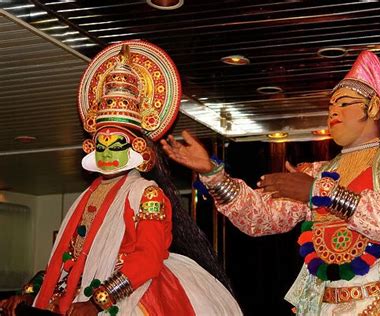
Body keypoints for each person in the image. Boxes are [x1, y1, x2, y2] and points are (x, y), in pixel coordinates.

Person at [161, 51, 380, 315]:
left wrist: (317, 193)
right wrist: (214, 174)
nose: (333, 111)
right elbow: (260, 217)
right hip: (331, 303)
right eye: (330, 106)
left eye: (345, 103)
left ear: (374, 108)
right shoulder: (317, 171)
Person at [0, 40, 241, 316]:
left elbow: (148, 258)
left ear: (137, 148)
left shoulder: (147, 194)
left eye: (117, 145)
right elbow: (70, 259)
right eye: (101, 145)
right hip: (81, 293)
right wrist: (29, 293)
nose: (107, 153)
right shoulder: (87, 197)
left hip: (127, 294)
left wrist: (97, 302)